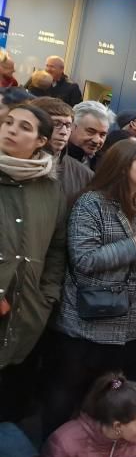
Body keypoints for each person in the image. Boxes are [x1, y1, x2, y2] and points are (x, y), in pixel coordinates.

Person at [45, 140, 136, 435]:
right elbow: (84, 258)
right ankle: (53, 451)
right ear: (124, 168)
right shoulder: (91, 203)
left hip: (129, 324)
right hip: (87, 320)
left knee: (111, 398)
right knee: (68, 393)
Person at [0, 104, 67, 421]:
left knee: (11, 404)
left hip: (27, 312)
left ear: (41, 140)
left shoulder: (51, 186)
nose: (11, 130)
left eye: (24, 127)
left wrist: (47, 296)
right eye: (8, 122)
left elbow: (56, 246)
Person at [67, 100, 109, 169]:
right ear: (72, 126)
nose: (97, 140)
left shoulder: (105, 165)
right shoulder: (54, 158)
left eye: (102, 134)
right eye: (91, 131)